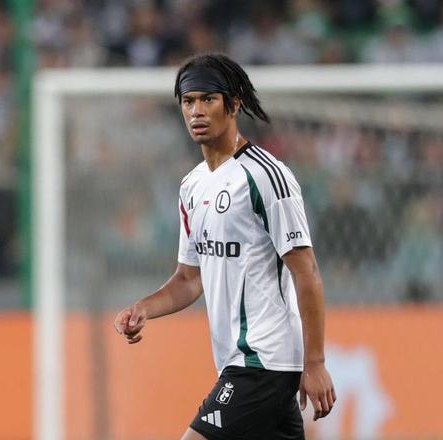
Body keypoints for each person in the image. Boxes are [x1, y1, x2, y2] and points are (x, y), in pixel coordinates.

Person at [113, 53, 335, 439]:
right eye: (188, 101)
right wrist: (143, 309)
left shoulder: (266, 176)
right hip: (237, 361)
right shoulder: (192, 185)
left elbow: (307, 271)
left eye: (208, 99)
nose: (196, 111)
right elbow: (189, 279)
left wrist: (314, 363)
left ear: (233, 105)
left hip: (263, 360)